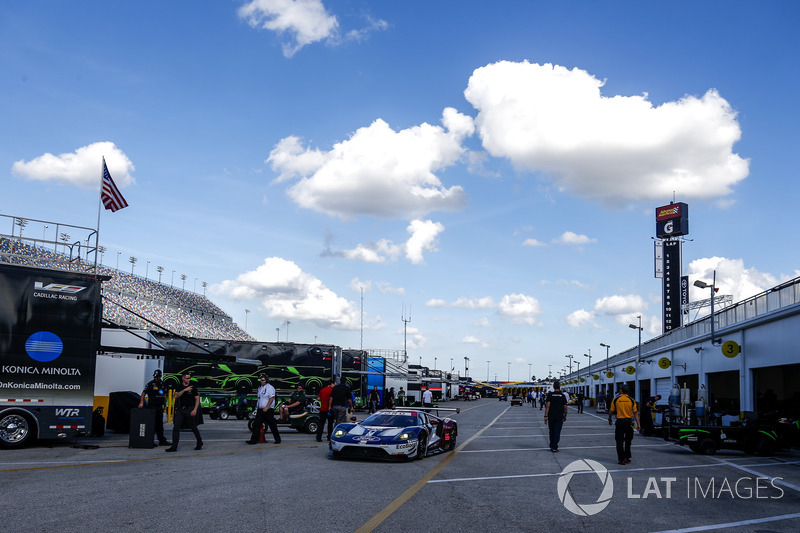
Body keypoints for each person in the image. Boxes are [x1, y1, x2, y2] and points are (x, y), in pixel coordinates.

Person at [165, 373, 202, 452]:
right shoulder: (179, 387)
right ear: (183, 378)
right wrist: (184, 390)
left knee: (193, 427)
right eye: (187, 378)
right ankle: (174, 446)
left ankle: (200, 442)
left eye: (189, 378)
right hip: (180, 409)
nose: (189, 380)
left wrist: (195, 409)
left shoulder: (193, 387)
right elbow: (176, 396)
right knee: (176, 427)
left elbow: (197, 399)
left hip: (189, 409)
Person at [609, 384, 640, 465]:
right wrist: (638, 423)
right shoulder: (631, 400)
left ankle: (621, 459)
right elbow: (635, 413)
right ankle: (627, 457)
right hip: (629, 422)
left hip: (620, 422)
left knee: (619, 441)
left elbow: (611, 411)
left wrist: (610, 419)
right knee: (628, 441)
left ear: (621, 390)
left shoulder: (616, 399)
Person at [138, 369, 171, 446]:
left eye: (158, 376)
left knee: (160, 425)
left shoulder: (163, 384)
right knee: (151, 424)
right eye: (155, 376)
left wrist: (165, 404)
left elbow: (164, 395)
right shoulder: (150, 384)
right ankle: (150, 440)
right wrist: (141, 402)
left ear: (160, 376)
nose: (156, 378)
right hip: (152, 407)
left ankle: (162, 440)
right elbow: (143, 394)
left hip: (160, 407)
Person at [247, 375, 281, 444]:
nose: (261, 381)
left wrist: (267, 407)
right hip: (260, 410)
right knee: (256, 424)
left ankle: (277, 439)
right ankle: (253, 440)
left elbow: (272, 398)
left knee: (272, 425)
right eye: (261, 380)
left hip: (268, 410)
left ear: (266, 381)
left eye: (263, 380)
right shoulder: (260, 388)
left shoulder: (270, 388)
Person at [544, 381, 568, 452]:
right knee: (557, 431)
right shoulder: (562, 395)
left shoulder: (550, 395)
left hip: (551, 416)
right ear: (559, 387)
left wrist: (545, 416)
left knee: (551, 431)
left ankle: (552, 445)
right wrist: (565, 415)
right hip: (559, 416)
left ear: (554, 387)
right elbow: (565, 407)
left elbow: (548, 406)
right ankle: (554, 446)